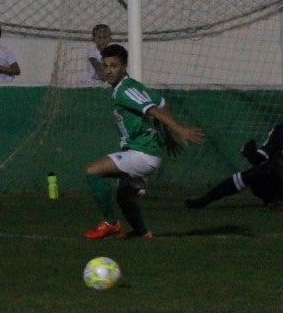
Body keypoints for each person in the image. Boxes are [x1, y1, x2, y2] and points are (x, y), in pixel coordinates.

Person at [83, 43, 204, 240]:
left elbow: (153, 110)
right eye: (106, 66)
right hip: (143, 152)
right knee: (124, 198)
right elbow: (162, 103)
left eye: (114, 66)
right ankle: (142, 232)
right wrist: (167, 136)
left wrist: (179, 131)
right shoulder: (134, 86)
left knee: (92, 171)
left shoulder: (125, 90)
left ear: (124, 66)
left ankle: (111, 223)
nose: (109, 70)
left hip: (142, 153)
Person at [185, 113, 283, 211]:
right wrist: (250, 154)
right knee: (259, 171)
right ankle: (204, 200)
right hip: (273, 177)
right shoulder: (281, 129)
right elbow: (259, 158)